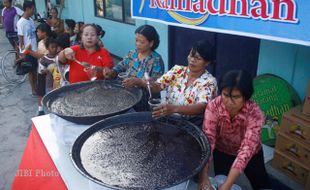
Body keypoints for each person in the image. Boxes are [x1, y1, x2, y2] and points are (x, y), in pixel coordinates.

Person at [199, 70, 271, 190]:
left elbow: (246, 150)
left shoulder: (255, 113)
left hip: (252, 155)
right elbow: (208, 140)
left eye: (236, 97)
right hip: (222, 151)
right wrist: (204, 176)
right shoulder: (213, 107)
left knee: (261, 184)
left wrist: (227, 185)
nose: (229, 102)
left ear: (246, 96)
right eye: (225, 95)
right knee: (220, 179)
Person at [147, 40, 217, 123]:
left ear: (207, 63)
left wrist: (174, 108)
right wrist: (150, 83)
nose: (192, 60)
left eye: (198, 58)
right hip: (166, 117)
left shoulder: (209, 82)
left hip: (190, 124)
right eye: (191, 55)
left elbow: (202, 106)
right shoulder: (177, 70)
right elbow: (158, 87)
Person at [103, 24, 164, 111]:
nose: (137, 44)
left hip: (144, 105)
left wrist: (139, 82)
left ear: (151, 43)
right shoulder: (132, 54)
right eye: (136, 40)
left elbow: (155, 87)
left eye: (141, 42)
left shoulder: (156, 60)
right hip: (126, 98)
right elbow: (119, 67)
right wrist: (111, 72)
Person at [17, 1, 38, 96]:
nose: (33, 11)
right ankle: (33, 89)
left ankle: (36, 87)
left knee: (35, 70)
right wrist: (22, 53)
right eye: (32, 9)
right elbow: (20, 40)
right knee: (30, 71)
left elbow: (34, 35)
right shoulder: (21, 22)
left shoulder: (31, 20)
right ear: (27, 9)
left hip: (35, 50)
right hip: (28, 51)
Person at [37, 37, 58, 115]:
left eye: (56, 47)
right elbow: (41, 72)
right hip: (49, 83)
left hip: (58, 82)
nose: (55, 49)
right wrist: (47, 70)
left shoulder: (59, 57)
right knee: (50, 98)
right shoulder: (44, 60)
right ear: (47, 48)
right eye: (52, 47)